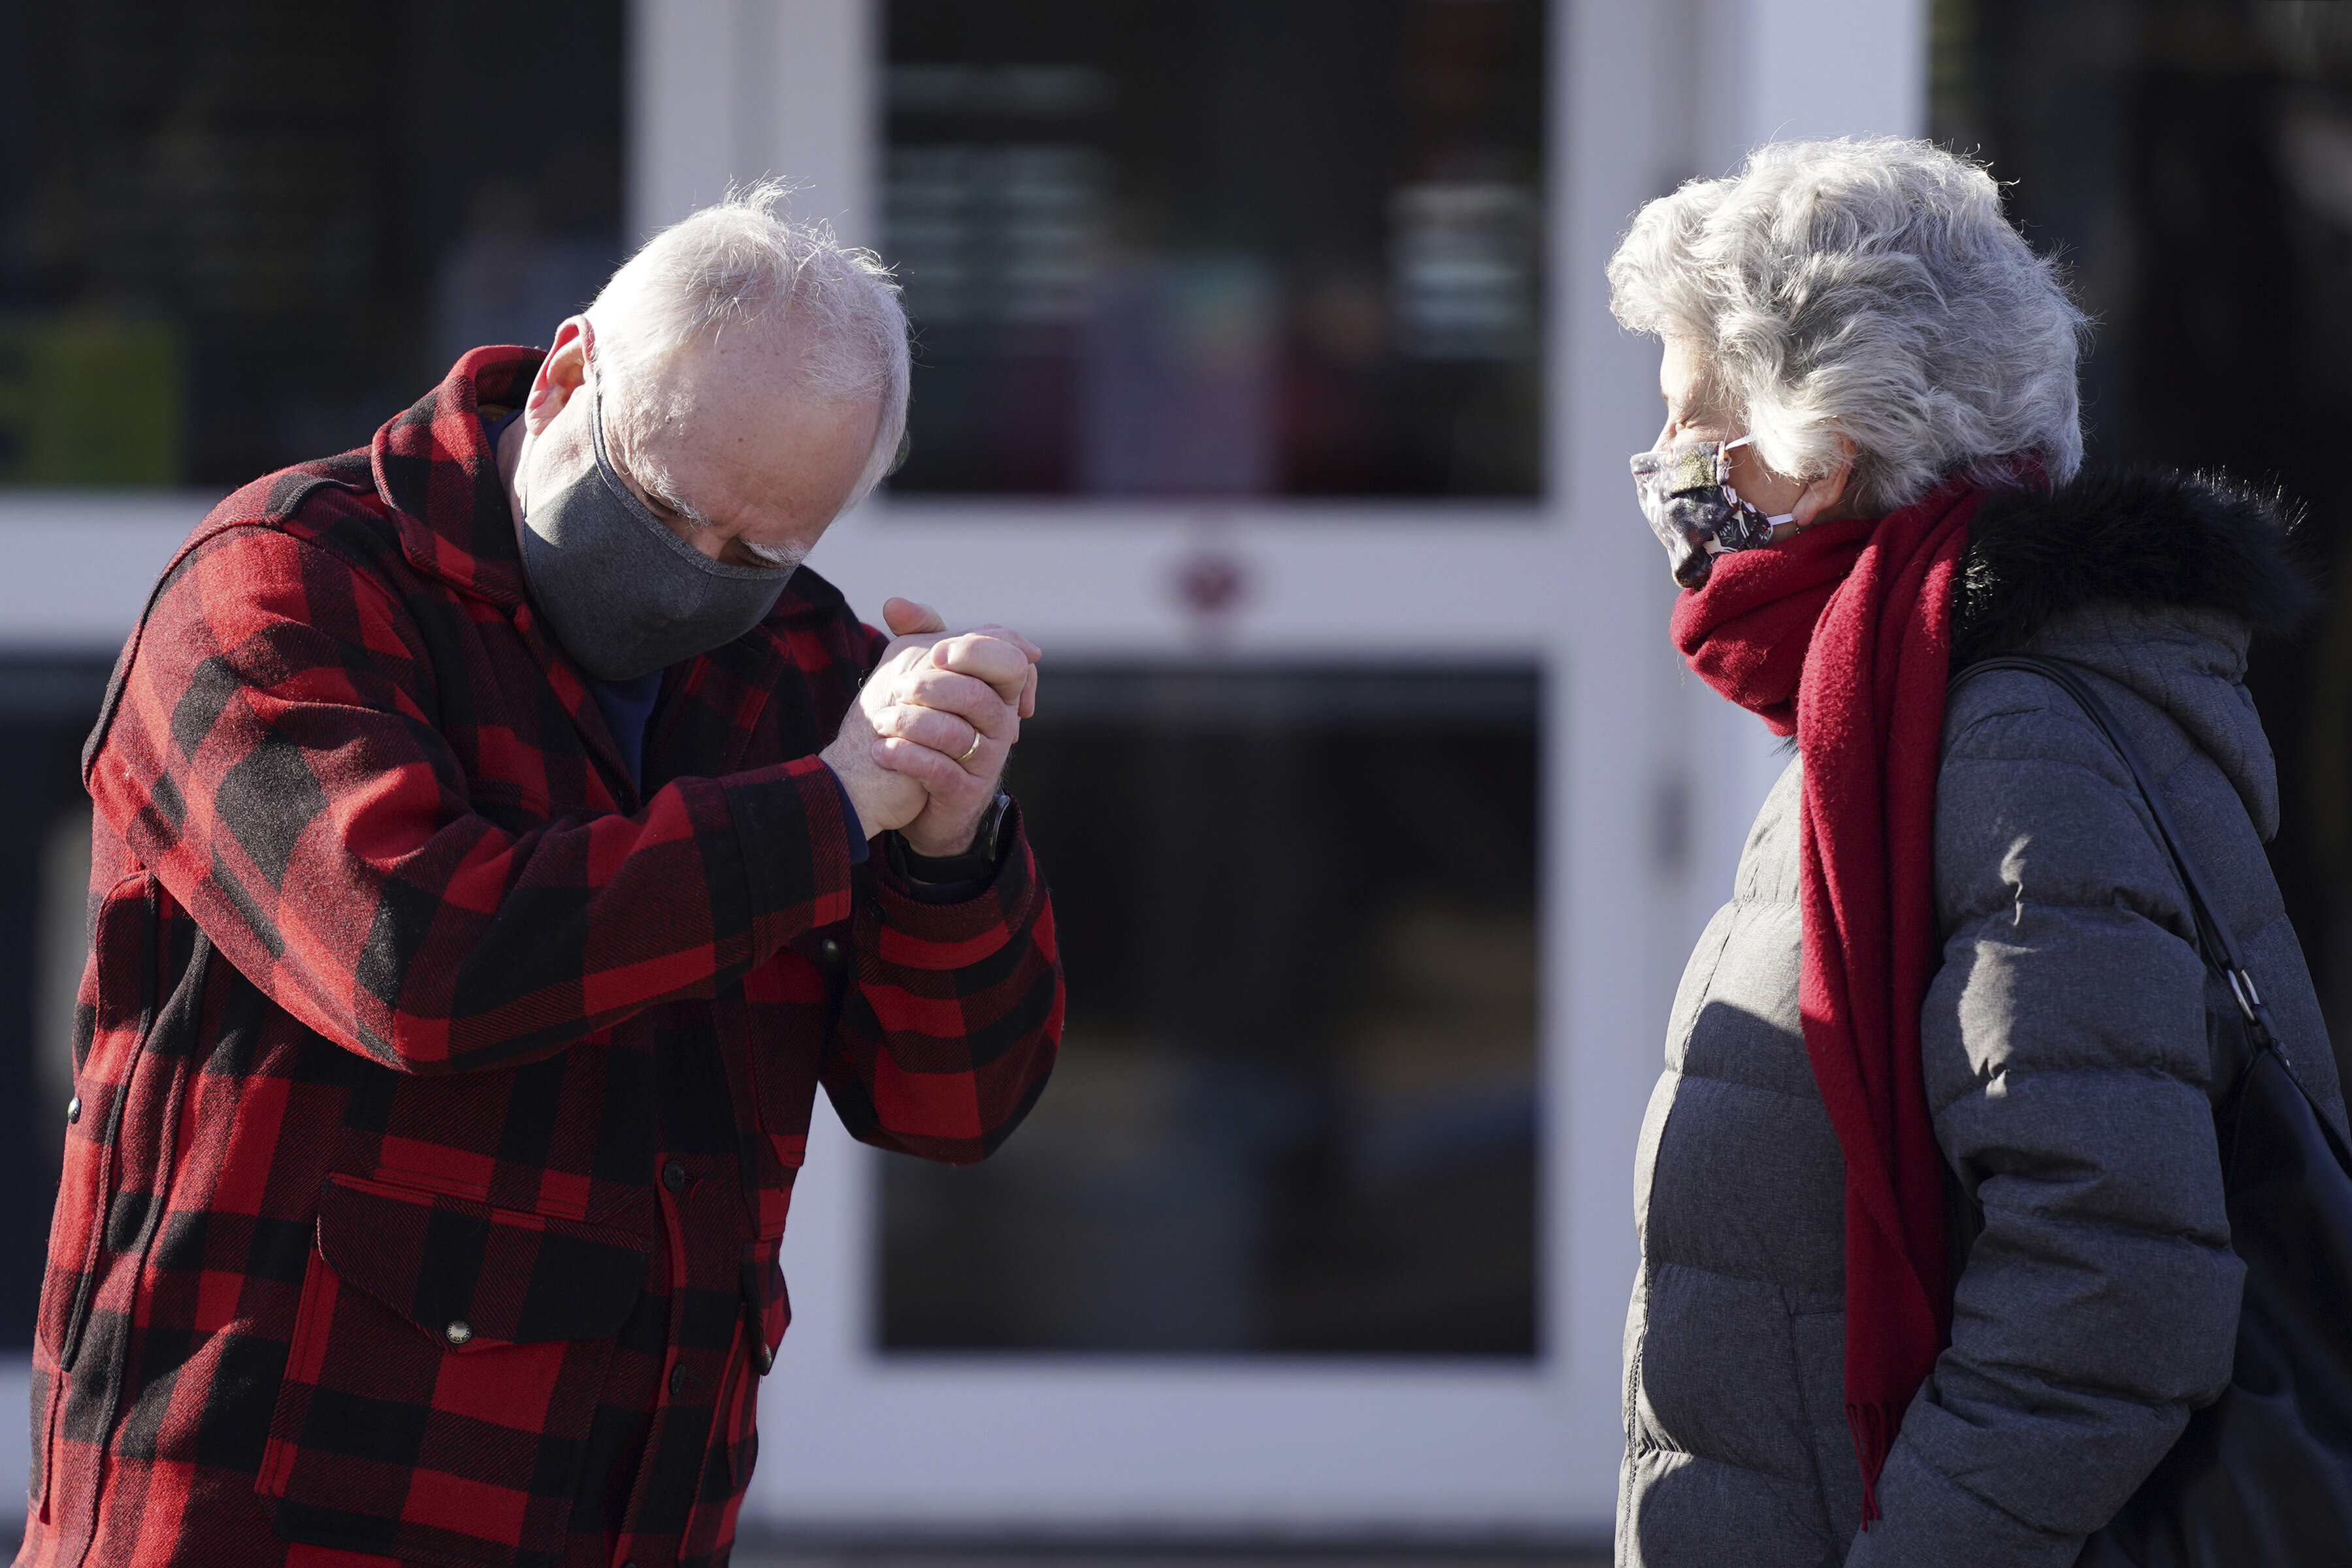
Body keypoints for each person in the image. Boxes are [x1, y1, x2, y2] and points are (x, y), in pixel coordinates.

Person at [22, 187, 1062, 1568]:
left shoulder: (801, 669)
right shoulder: (281, 585)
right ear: (567, 372)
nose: (697, 577)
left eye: (760, 553)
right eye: (667, 508)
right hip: (268, 1507)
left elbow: (954, 1102)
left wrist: (951, 850)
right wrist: (821, 812)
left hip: (629, 1507)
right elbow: (413, 960)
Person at [1607, 139, 2347, 1565]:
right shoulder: (1900, 710)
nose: (1663, 482)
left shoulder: (2004, 744)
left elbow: (2111, 1288)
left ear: (1818, 450)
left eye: (1690, 435)